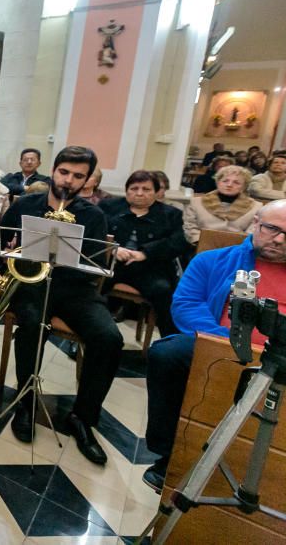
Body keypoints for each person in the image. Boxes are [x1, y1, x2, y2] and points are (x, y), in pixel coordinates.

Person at [0, 146, 122, 465]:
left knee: (109, 338)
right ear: (53, 171)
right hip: (31, 285)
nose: (68, 181)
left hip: (74, 289)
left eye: (78, 176)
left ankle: (83, 418)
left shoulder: (94, 215)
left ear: (86, 181)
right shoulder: (26, 205)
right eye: (64, 172)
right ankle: (25, 401)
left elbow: (94, 263)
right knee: (31, 325)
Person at [141, 200, 286, 493]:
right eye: (273, 229)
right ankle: (168, 452)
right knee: (166, 353)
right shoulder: (213, 260)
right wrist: (224, 342)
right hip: (222, 345)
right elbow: (186, 305)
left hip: (280, 357)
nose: (280, 239)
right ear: (255, 223)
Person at [99, 171, 187, 338]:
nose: (139, 193)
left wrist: (145, 253)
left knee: (164, 292)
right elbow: (95, 233)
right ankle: (91, 334)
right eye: (134, 188)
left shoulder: (171, 214)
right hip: (113, 264)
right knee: (91, 286)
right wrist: (114, 249)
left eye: (146, 189)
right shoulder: (108, 207)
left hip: (150, 269)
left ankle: (171, 342)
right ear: (127, 191)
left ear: (156, 192)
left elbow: (179, 242)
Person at [184, 165, 263, 245]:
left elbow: (252, 232)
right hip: (201, 247)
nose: (229, 185)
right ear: (218, 182)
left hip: (237, 250)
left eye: (236, 182)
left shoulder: (256, 207)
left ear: (244, 186)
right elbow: (190, 227)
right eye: (225, 181)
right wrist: (202, 243)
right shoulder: (196, 202)